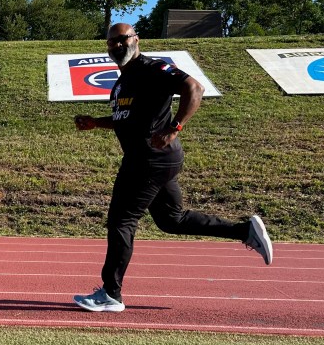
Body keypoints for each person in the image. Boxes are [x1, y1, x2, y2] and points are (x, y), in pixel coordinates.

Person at [73, 23, 273, 313]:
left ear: (136, 40)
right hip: (154, 159)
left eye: (122, 39)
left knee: (121, 221)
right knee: (171, 220)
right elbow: (126, 119)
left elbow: (195, 88)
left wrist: (175, 127)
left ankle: (110, 294)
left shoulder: (152, 68)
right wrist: (95, 122)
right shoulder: (122, 81)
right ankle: (245, 231)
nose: (116, 45)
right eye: (111, 42)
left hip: (149, 159)